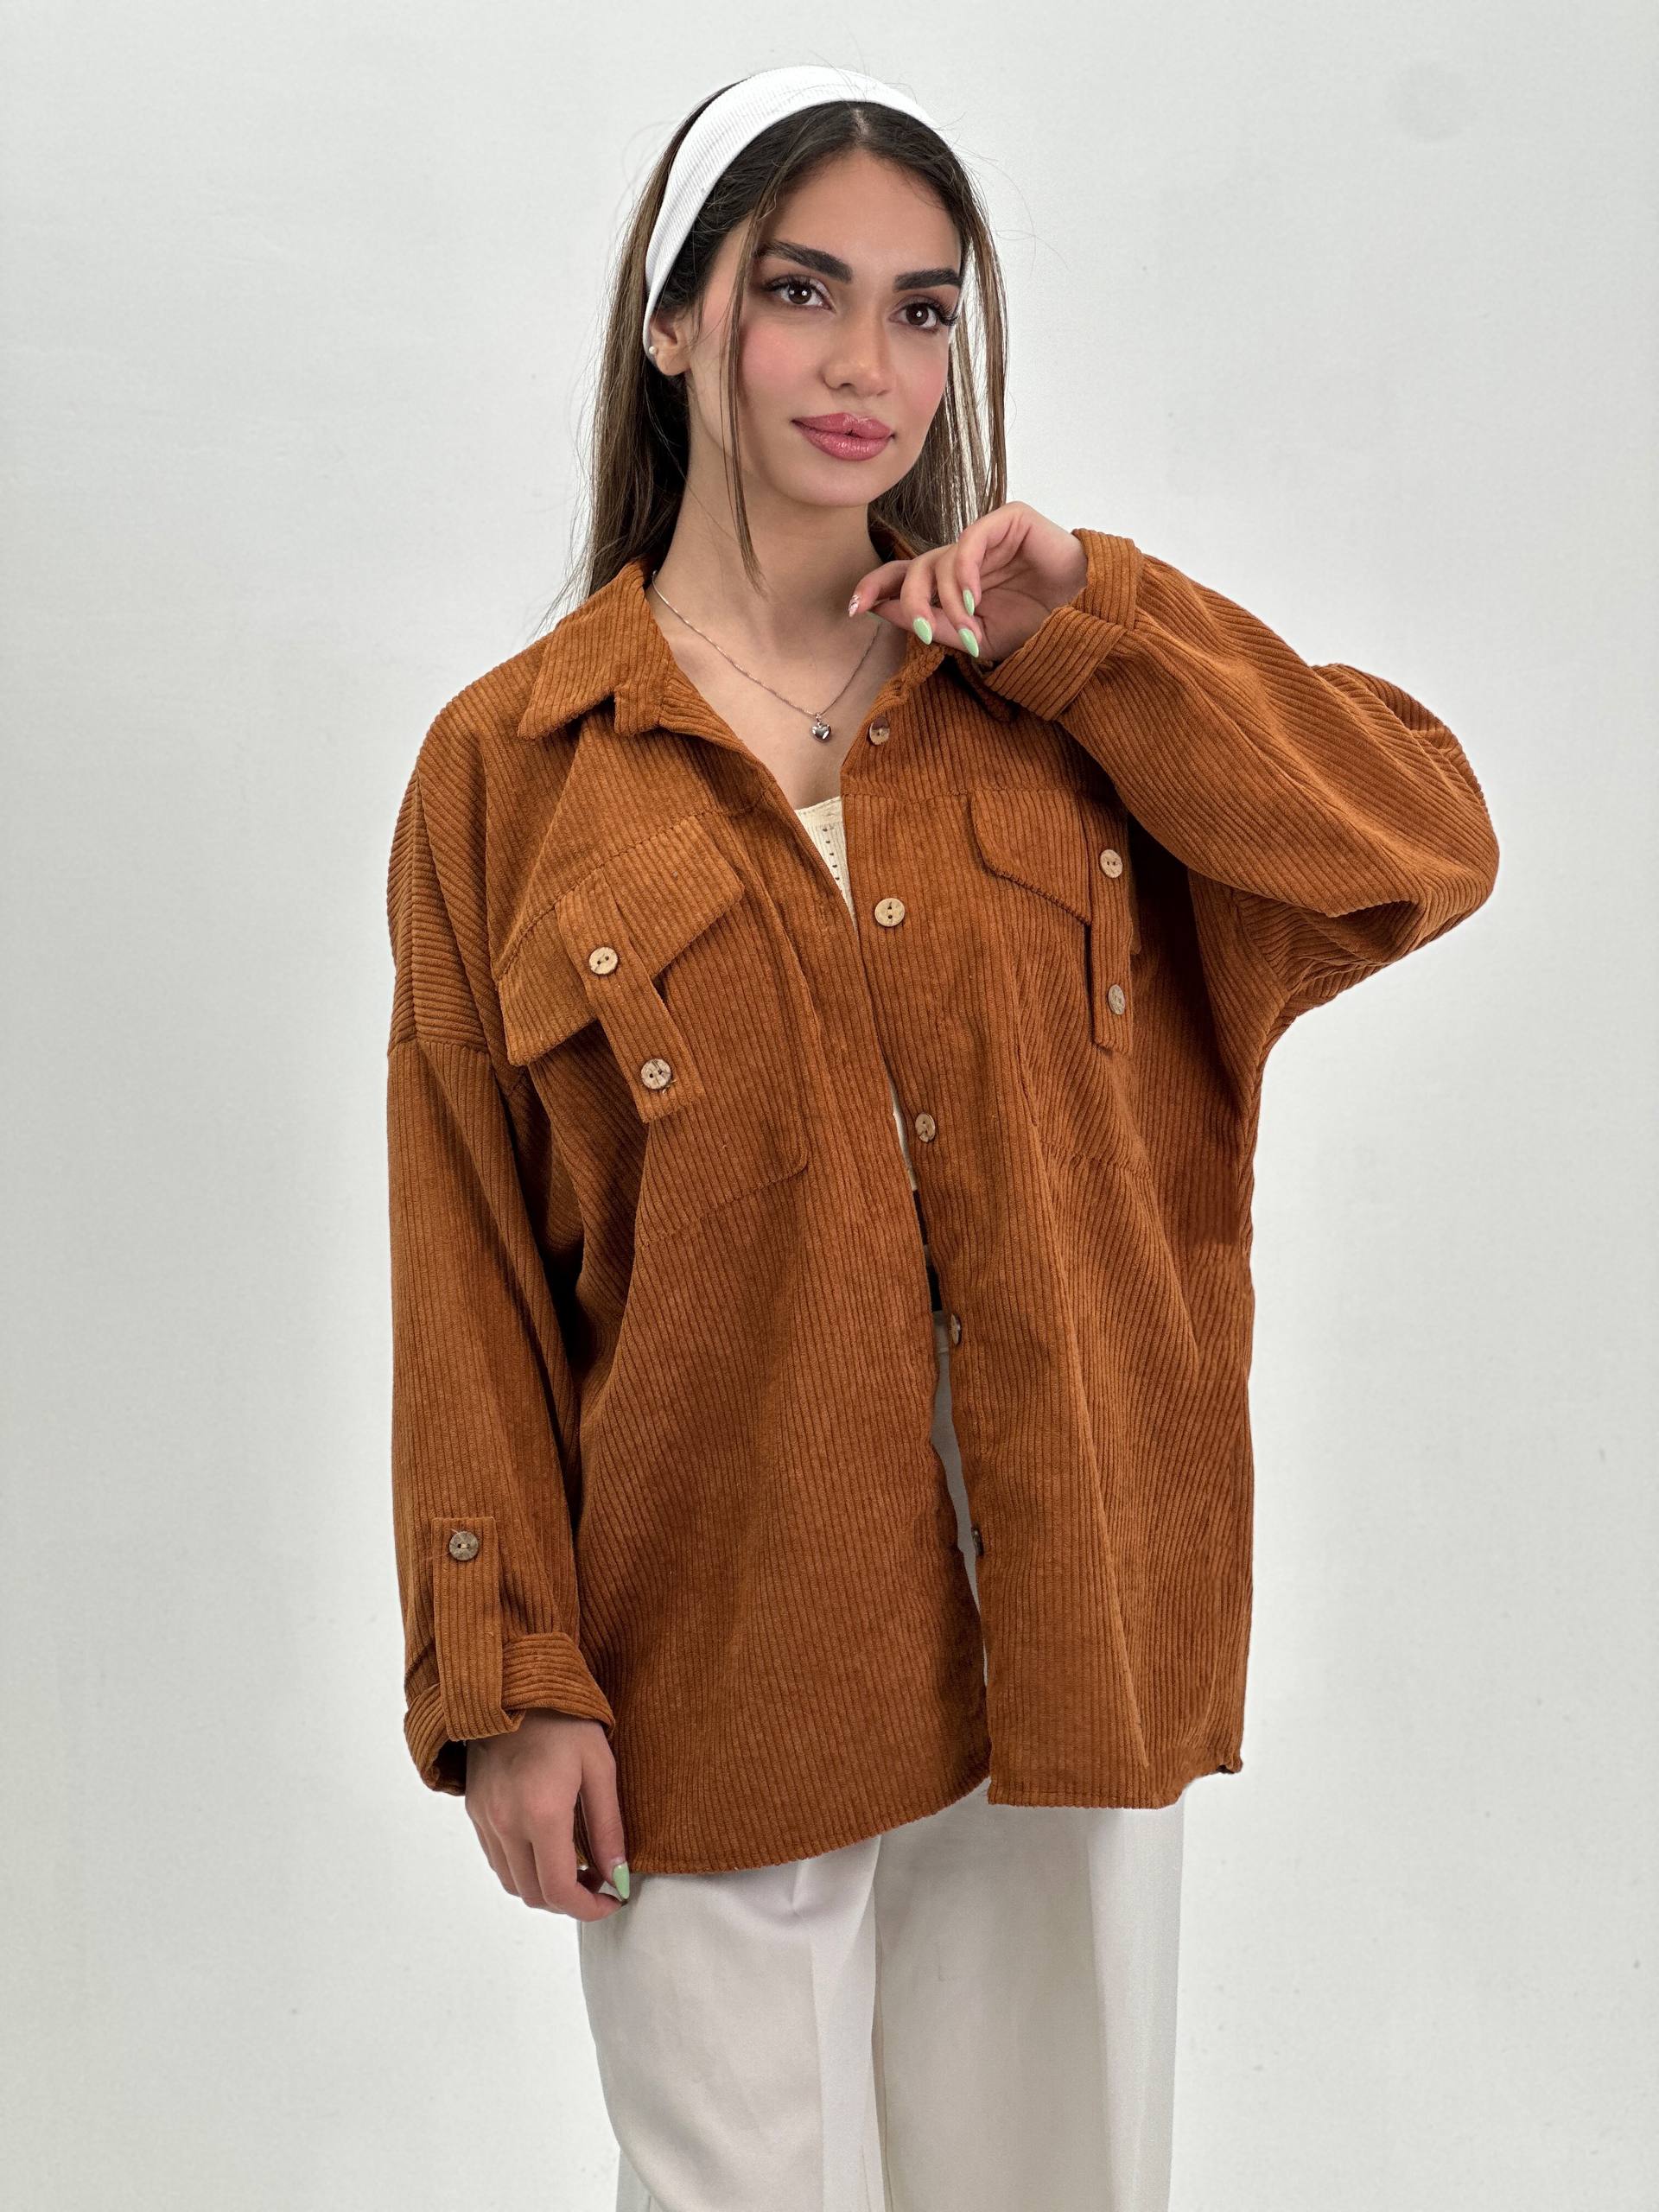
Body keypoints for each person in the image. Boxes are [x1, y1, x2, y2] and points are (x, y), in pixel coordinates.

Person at [383, 64, 1501, 2212]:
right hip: (722, 1632)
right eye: (803, 290)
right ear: (676, 319)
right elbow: (469, 1251)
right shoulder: (513, 771)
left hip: (1071, 1608)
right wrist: (507, 1676)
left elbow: (1419, 845)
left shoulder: (1050, 704)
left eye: (921, 311)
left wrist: (1095, 630)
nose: (866, 368)